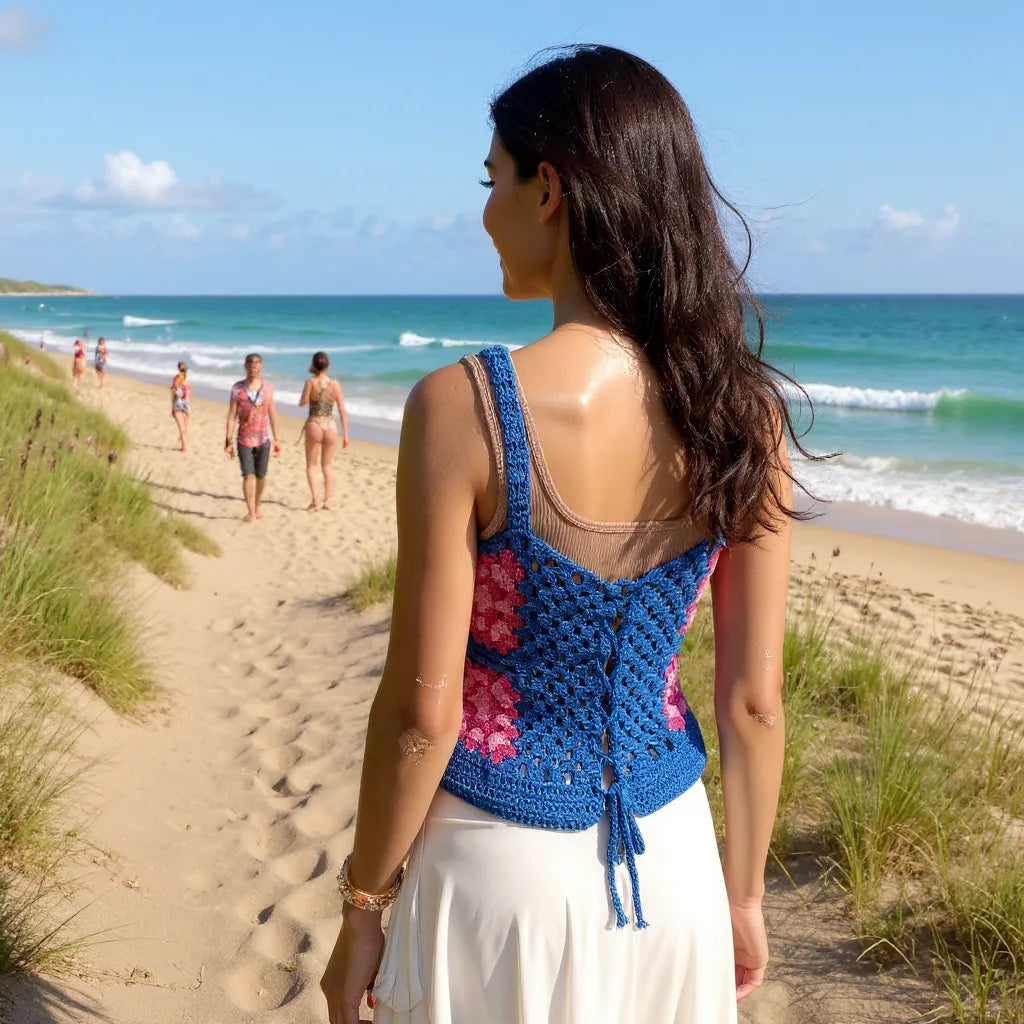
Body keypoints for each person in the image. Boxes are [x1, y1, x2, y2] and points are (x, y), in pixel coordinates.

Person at [320, 45, 809, 1024]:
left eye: (490, 178)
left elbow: (423, 716)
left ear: (549, 190)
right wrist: (742, 894)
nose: (483, 210)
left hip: (493, 873)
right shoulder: (739, 411)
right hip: (671, 870)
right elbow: (753, 703)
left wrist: (364, 904)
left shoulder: (465, 406)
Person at [225, 353, 283, 522]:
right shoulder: (237, 389)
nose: (253, 367)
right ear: (246, 366)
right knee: (247, 475)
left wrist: (277, 438)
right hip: (244, 439)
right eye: (250, 364)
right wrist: (228, 440)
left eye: (257, 364)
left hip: (263, 439)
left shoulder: (268, 388)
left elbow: (273, 414)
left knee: (261, 476)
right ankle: (250, 511)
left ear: (261, 367)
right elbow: (231, 416)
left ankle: (257, 504)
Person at [298, 351, 350, 511]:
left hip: (315, 423)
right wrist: (346, 434)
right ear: (327, 365)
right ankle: (328, 499)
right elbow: (341, 409)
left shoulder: (310, 383)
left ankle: (315, 500)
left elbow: (303, 402)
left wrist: (306, 398)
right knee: (327, 465)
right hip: (330, 426)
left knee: (311, 465)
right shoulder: (335, 384)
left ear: (314, 365)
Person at [171, 361, 192, 452]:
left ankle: (184, 447)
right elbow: (189, 395)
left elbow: (175, 393)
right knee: (185, 427)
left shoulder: (177, 379)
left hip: (178, 403)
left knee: (181, 427)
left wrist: (172, 403)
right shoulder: (187, 382)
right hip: (187, 404)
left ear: (178, 368)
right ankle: (184, 446)